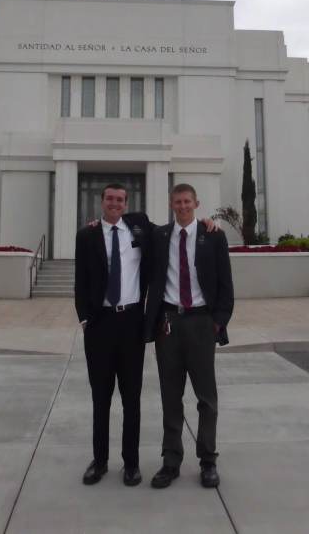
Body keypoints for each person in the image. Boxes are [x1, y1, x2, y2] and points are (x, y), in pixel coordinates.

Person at [145, 183, 234, 489]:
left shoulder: (213, 236)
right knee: (171, 397)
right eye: (177, 202)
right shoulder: (160, 236)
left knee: (206, 398)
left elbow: (226, 285)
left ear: (197, 203)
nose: (182, 206)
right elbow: (130, 221)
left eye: (187, 201)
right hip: (168, 324)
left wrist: (218, 323)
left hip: (200, 323)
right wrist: (96, 222)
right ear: (171, 205)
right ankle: (171, 461)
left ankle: (208, 460)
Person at [75, 183, 152, 487]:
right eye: (109, 199)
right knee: (101, 398)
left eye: (120, 199)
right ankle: (100, 460)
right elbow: (80, 280)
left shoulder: (139, 229)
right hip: (100, 325)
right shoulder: (87, 235)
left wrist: (208, 222)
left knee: (131, 399)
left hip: (131, 322)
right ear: (101, 201)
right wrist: (84, 319)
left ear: (126, 203)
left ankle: (131, 464)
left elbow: (172, 228)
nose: (114, 203)